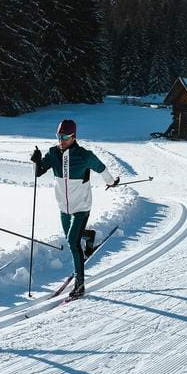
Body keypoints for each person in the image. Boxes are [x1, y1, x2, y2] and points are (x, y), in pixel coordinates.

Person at [30, 119, 118, 298]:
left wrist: (111, 182)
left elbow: (102, 169)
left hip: (82, 206)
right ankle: (89, 236)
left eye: (64, 137)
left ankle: (80, 284)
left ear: (73, 137)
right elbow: (38, 172)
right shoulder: (53, 153)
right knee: (72, 236)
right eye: (58, 136)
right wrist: (36, 161)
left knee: (72, 241)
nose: (60, 140)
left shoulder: (85, 155)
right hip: (63, 206)